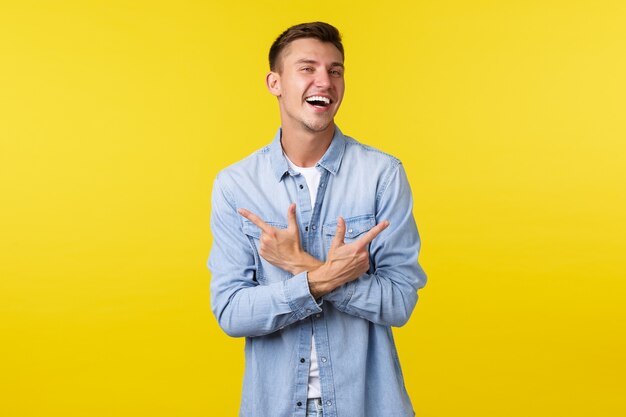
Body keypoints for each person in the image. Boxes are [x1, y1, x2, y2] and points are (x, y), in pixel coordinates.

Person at [208, 21, 427, 417]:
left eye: (335, 70)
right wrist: (323, 277)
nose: (324, 81)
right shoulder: (236, 185)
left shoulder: (382, 175)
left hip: (368, 404)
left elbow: (399, 303)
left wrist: (299, 266)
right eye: (307, 68)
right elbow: (230, 311)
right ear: (275, 83)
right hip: (272, 406)